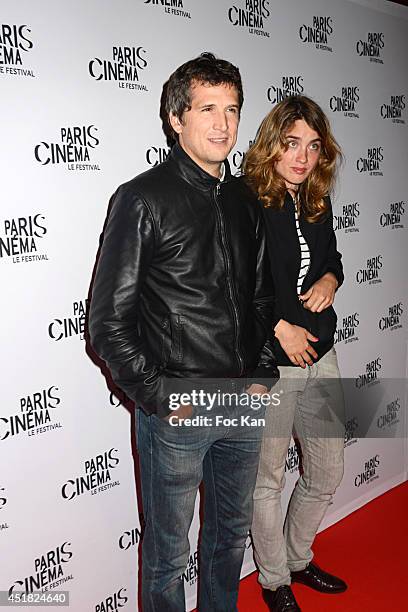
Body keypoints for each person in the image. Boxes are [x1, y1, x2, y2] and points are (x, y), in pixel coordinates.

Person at [88, 52, 278, 612]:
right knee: (168, 557)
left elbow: (263, 297)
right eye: (207, 109)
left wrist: (263, 373)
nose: (223, 124)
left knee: (227, 543)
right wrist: (160, 398)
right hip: (179, 409)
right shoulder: (142, 198)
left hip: (242, 402)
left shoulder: (246, 198)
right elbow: (107, 322)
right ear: (177, 118)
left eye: (232, 110)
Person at [243, 95, 346, 612]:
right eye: (291, 144)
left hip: (321, 351)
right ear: (271, 144)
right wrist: (279, 327)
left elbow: (333, 259)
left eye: (312, 146)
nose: (302, 158)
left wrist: (329, 277)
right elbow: (231, 286)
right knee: (268, 479)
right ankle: (274, 578)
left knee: (327, 469)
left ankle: (299, 558)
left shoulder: (316, 200)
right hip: (272, 360)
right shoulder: (246, 201)